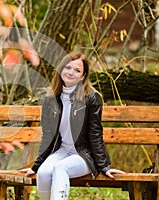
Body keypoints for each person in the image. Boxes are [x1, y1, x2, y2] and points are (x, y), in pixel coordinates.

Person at [19, 51, 125, 199]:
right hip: (62, 151)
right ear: (61, 69)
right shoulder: (50, 100)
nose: (71, 72)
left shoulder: (92, 98)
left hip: (84, 154)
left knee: (60, 169)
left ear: (83, 76)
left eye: (77, 70)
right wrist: (37, 165)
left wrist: (104, 166)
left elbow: (95, 134)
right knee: (43, 173)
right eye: (68, 67)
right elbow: (48, 137)